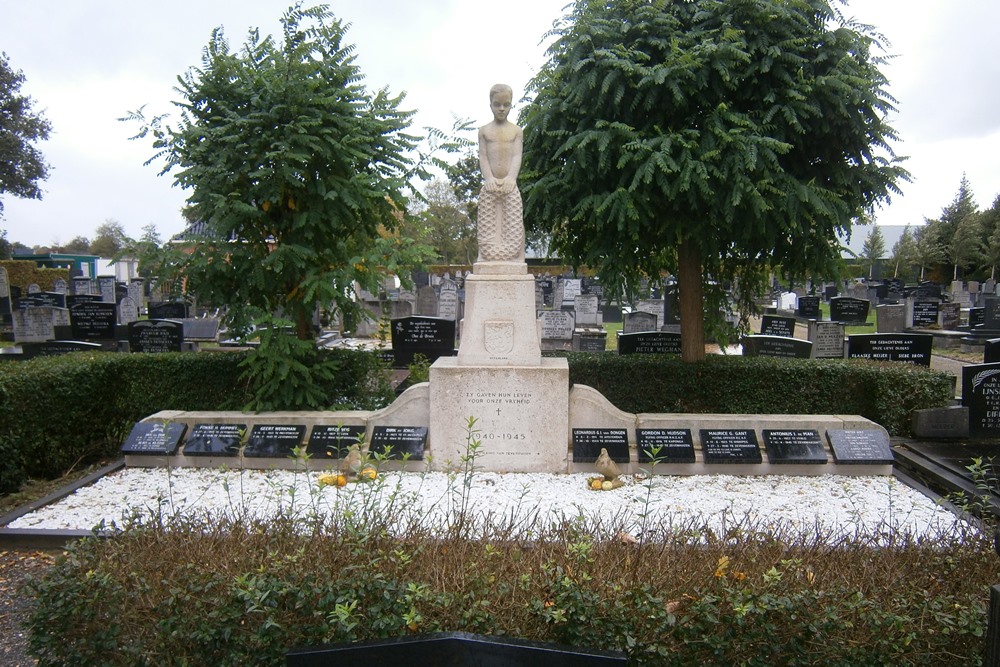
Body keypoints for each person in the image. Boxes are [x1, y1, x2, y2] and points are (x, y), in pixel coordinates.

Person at [477, 83, 525, 263]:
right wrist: (488, 177)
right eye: (497, 104)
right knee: (488, 224)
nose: (501, 108)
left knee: (513, 222)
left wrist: (511, 178)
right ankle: (487, 254)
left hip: (510, 185)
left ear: (511, 104)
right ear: (490, 104)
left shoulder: (516, 131)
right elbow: (483, 156)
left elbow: (516, 155)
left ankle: (513, 255)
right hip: (490, 185)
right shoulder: (484, 131)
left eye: (506, 104)